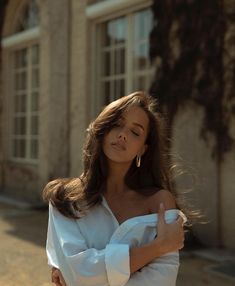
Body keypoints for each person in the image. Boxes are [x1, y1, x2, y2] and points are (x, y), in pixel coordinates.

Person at [43, 91, 187, 286]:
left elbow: (161, 280)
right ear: (102, 130)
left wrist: (90, 275)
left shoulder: (159, 202)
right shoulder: (64, 198)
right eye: (117, 124)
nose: (123, 135)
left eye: (135, 132)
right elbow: (75, 273)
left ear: (142, 149)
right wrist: (157, 247)